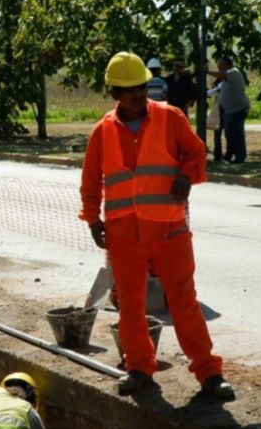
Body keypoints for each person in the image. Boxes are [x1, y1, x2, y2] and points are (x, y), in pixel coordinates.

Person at [80, 51, 235, 400]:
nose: (139, 94)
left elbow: (196, 154)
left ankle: (209, 373)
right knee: (131, 306)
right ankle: (139, 369)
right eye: (130, 89)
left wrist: (185, 176)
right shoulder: (102, 131)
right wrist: (93, 220)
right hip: (124, 235)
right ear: (114, 94)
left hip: (169, 231)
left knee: (184, 302)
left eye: (142, 87)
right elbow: (91, 182)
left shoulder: (170, 117)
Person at [207, 54, 250, 163]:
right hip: (231, 110)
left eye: (220, 64)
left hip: (237, 109)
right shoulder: (226, 79)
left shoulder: (233, 72)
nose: (218, 66)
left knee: (231, 133)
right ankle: (238, 156)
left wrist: (206, 72)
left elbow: (222, 75)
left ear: (227, 64)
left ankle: (232, 156)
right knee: (235, 132)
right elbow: (217, 90)